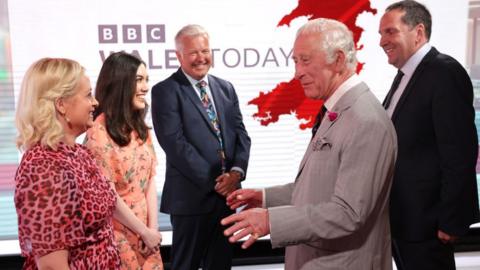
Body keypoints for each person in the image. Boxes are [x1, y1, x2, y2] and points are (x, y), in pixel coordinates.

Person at [221, 18, 397, 270]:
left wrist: (272, 221)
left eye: (305, 60)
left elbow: (347, 214)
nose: (297, 72)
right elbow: (318, 189)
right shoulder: (339, 111)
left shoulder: (365, 120)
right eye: (295, 61)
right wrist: (264, 197)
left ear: (337, 60)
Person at [378, 1, 480, 269]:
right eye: (380, 34)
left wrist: (451, 219)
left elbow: (459, 151)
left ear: (418, 32)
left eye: (390, 32)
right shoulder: (404, 76)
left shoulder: (444, 72)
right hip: (403, 219)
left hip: (428, 223)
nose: (382, 41)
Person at [151, 24, 251, 270]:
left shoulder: (225, 88)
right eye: (193, 52)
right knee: (186, 265)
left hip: (226, 200)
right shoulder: (165, 91)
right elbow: (175, 145)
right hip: (191, 200)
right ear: (179, 56)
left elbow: (242, 136)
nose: (201, 58)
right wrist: (218, 182)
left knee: (220, 265)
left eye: (205, 50)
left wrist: (236, 173)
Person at [14, 58, 120, 269]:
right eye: (88, 95)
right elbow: (52, 266)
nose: (96, 103)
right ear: (61, 105)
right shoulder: (43, 168)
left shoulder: (78, 154)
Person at [85, 52, 163, 270]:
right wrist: (144, 231)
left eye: (147, 79)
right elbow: (108, 198)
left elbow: (149, 182)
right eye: (139, 80)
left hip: (147, 238)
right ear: (120, 82)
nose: (146, 87)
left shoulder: (141, 129)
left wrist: (153, 230)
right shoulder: (98, 133)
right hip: (117, 236)